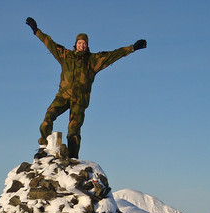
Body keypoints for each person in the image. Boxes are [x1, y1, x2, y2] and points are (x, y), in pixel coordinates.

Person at [26, 17, 146, 158]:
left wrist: (132, 48)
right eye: (79, 43)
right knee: (48, 117)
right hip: (63, 96)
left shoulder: (93, 61)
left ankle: (72, 157)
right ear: (75, 44)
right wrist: (36, 30)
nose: (81, 45)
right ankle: (43, 147)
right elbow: (50, 44)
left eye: (84, 43)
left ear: (87, 45)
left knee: (74, 130)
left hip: (79, 100)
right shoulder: (66, 56)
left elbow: (113, 55)